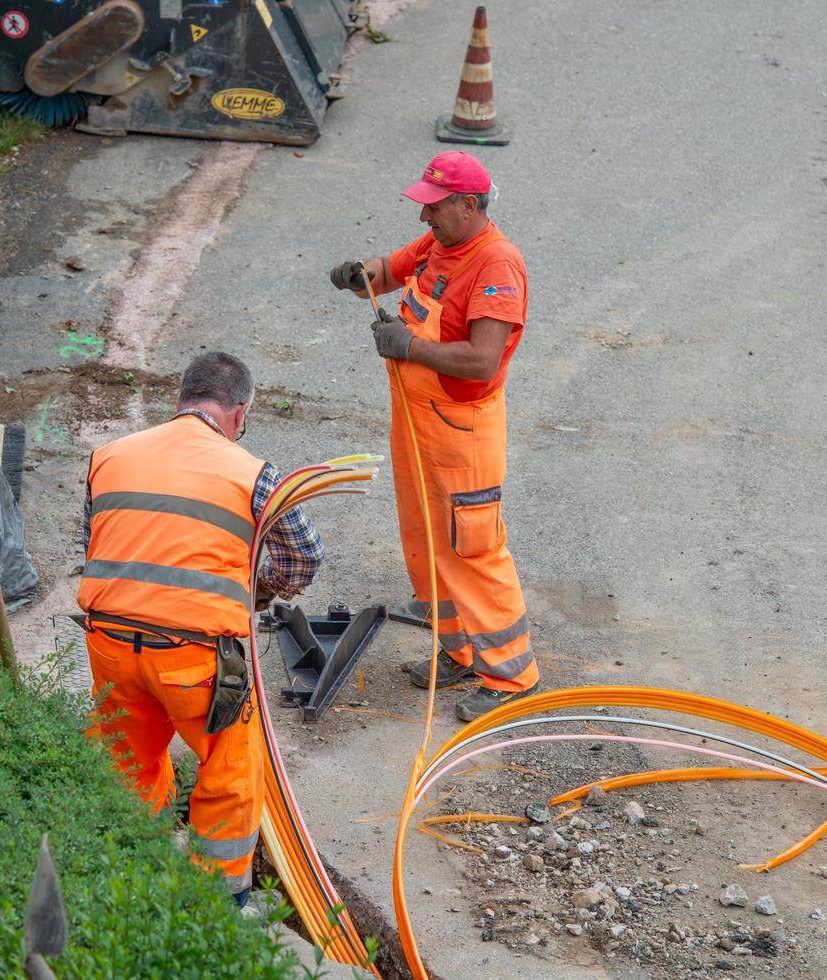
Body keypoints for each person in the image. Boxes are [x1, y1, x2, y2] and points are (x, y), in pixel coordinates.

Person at [76, 351, 324, 909]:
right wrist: (258, 589)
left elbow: (94, 542)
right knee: (231, 766)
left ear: (179, 401)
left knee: (125, 754)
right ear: (240, 412)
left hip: (110, 645)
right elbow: (304, 560)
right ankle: (220, 905)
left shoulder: (108, 456)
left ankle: (131, 871)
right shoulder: (254, 474)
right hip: (193, 661)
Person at [328, 150, 541, 721]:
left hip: (460, 431)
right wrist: (359, 276)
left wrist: (410, 347)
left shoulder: (496, 266)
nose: (424, 219)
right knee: (427, 542)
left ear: (468, 206)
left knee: (471, 547)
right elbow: (387, 270)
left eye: (435, 208)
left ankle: (511, 675)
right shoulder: (438, 245)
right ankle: (461, 650)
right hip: (418, 421)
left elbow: (481, 360)